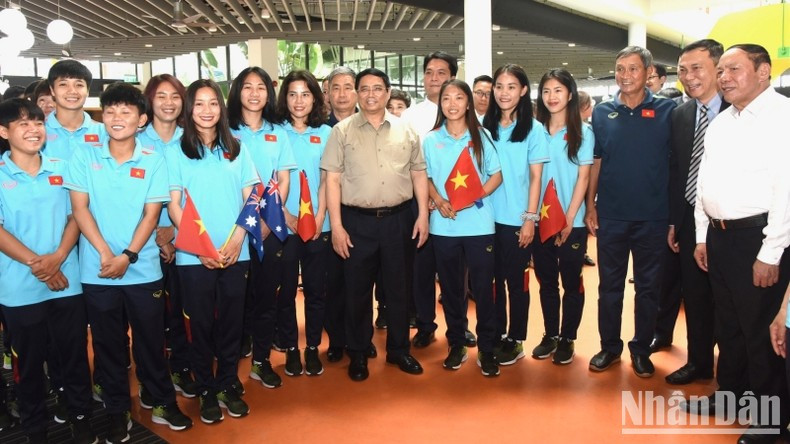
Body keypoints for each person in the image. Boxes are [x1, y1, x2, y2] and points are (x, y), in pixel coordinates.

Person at [64, 83, 192, 440]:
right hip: (97, 270)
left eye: (126, 112)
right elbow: (79, 208)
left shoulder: (154, 160)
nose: (117, 118)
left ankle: (163, 400)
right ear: (102, 117)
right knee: (108, 346)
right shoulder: (84, 156)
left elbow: (152, 215)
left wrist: (128, 256)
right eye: (110, 112)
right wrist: (107, 255)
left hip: (143, 269)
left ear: (141, 120)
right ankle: (117, 411)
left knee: (151, 341)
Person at [691, 44, 790, 443]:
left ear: (763, 71)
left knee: (759, 328)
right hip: (719, 236)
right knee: (727, 323)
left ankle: (772, 418)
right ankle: (731, 394)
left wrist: (770, 253)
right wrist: (702, 234)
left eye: (734, 69)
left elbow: (787, 191)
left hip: (758, 238)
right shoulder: (722, 122)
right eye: (722, 71)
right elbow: (704, 183)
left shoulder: (782, 118)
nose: (724, 77)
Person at [321, 68, 429, 381]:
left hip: (399, 220)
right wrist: (337, 227)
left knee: (399, 289)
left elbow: (418, 173)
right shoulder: (341, 131)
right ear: (357, 93)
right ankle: (358, 352)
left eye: (377, 88)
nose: (371, 94)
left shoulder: (406, 130)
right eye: (364, 88)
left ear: (387, 92)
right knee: (357, 291)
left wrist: (422, 214)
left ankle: (399, 350)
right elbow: (333, 180)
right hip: (357, 222)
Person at [0, 98, 96, 444]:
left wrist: (57, 256)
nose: (33, 129)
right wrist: (38, 265)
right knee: (28, 365)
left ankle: (80, 414)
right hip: (19, 288)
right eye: (23, 123)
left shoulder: (62, 166)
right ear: (4, 131)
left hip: (66, 281)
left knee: (74, 358)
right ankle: (35, 427)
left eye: (38, 122)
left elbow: (77, 215)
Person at [166, 79, 258, 423]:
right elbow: (175, 205)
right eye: (199, 104)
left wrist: (237, 239)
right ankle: (206, 388)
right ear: (189, 110)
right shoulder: (175, 150)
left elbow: (253, 197)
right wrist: (198, 246)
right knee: (200, 325)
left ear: (221, 108)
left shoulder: (237, 147)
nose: (207, 110)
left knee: (232, 324)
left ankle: (226, 383)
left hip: (236, 252)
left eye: (213, 103)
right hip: (193, 257)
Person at [585, 46, 676, 378]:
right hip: (611, 215)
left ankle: (641, 349)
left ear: (648, 72)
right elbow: (596, 161)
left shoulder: (669, 111)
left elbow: (676, 164)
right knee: (609, 287)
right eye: (620, 68)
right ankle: (609, 347)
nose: (625, 75)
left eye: (633, 69)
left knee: (648, 288)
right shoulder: (602, 112)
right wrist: (589, 205)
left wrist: (673, 218)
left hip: (653, 217)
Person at [658, 39, 726, 385]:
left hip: (731, 223)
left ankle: (734, 374)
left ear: (719, 67)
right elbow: (677, 171)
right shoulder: (681, 114)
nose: (688, 76)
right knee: (696, 297)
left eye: (696, 67)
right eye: (683, 70)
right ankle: (699, 362)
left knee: (730, 303)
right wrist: (674, 220)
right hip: (688, 222)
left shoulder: (737, 110)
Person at [423, 79, 502, 375]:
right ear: (440, 104)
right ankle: (456, 343)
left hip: (480, 225)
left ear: (468, 103)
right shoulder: (431, 140)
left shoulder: (482, 136)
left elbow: (496, 175)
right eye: (447, 99)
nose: (452, 104)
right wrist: (438, 199)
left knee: (483, 289)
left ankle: (487, 348)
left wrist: (473, 197)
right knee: (453, 291)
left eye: (459, 98)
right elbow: (425, 177)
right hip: (443, 227)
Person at [227, 66, 297, 386]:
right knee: (234, 298)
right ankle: (229, 362)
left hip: (268, 226)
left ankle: (261, 359)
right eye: (247, 87)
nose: (254, 93)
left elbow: (283, 178)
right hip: (232, 228)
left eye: (261, 87)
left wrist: (269, 218)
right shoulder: (224, 130)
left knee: (268, 295)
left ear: (269, 94)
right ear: (237, 91)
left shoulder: (278, 132)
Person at [403, 51, 475, 350]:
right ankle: (424, 324)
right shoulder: (410, 116)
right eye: (429, 72)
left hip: (455, 208)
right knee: (421, 271)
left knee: (454, 273)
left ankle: (459, 327)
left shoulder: (471, 119)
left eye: (441, 72)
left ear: (452, 77)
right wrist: (426, 199)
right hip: (418, 204)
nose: (434, 77)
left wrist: (446, 199)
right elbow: (406, 161)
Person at [482, 64, 548, 365]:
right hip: (484, 221)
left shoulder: (533, 130)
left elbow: (536, 178)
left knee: (516, 283)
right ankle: (493, 333)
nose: (503, 93)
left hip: (516, 220)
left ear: (523, 91)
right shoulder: (485, 126)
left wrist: (529, 219)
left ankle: (516, 338)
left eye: (511, 87)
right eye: (499, 86)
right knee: (490, 282)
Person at [138, 74, 198, 399]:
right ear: (150, 100)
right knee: (149, 319)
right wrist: (159, 237)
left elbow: (196, 192)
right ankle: (152, 379)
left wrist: (175, 231)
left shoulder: (191, 140)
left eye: (175, 96)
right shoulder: (135, 139)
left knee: (182, 311)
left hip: (185, 239)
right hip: (143, 244)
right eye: (161, 96)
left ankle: (181, 368)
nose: (169, 103)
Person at [531, 68, 593, 365]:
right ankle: (550, 334)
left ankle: (568, 337)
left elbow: (583, 178)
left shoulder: (583, 131)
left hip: (573, 222)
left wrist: (569, 219)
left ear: (570, 93)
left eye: (557, 90)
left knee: (572, 281)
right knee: (546, 282)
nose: (551, 97)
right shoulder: (533, 130)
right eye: (545, 91)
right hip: (541, 219)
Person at [275, 70, 332, 377]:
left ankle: (312, 348)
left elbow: (326, 178)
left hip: (317, 225)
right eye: (293, 94)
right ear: (285, 98)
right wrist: (286, 215)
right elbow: (272, 181)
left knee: (315, 290)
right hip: (284, 224)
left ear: (315, 98)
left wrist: (321, 214)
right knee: (285, 292)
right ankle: (290, 349)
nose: (299, 101)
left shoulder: (325, 133)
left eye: (306, 94)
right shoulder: (274, 132)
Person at [43, 60, 104, 160]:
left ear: (87, 91)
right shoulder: (38, 132)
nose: (72, 91)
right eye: (63, 84)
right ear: (52, 90)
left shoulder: (105, 133)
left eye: (79, 85)